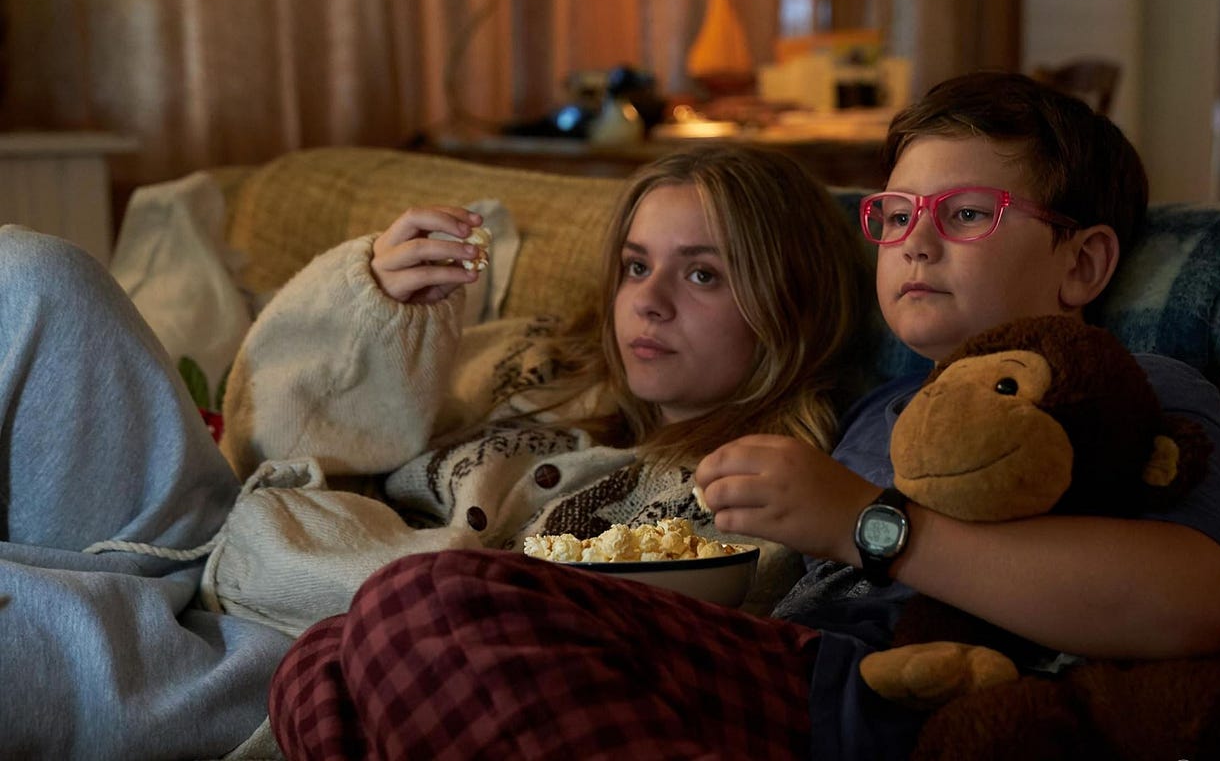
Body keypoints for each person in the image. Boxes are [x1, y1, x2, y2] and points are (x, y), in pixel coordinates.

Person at [267, 72, 1220, 761]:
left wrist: (867, 523)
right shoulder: (879, 404)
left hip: (902, 701)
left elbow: (1193, 605)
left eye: (966, 215)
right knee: (325, 657)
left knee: (427, 605)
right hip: (780, 676)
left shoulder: (1137, 385)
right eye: (895, 216)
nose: (915, 246)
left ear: (1084, 263)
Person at [0, 143, 874, 759]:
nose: (647, 303)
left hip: (279, 652)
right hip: (207, 527)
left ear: (788, 305)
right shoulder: (529, 359)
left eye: (703, 274)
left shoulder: (750, 490)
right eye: (636, 266)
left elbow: (578, 661)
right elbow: (275, 438)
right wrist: (372, 311)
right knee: (34, 276)